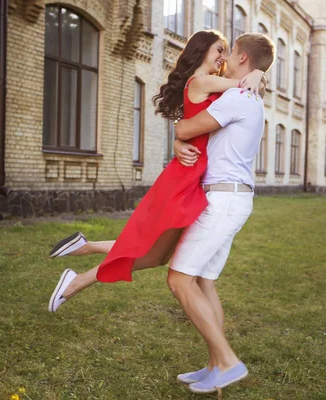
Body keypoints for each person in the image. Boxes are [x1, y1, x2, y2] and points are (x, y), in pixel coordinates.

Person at [48, 30, 266, 313]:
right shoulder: (204, 81)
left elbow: (211, 111)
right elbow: (241, 87)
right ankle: (78, 274)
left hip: (196, 176)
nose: (223, 57)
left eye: (226, 51)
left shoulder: (215, 85)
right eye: (218, 50)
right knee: (149, 245)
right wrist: (258, 74)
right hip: (186, 176)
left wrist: (259, 73)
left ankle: (83, 256)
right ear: (201, 51)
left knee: (157, 254)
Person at [167, 32, 275, 394]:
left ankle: (227, 361)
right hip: (234, 198)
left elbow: (185, 127)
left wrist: (178, 136)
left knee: (180, 280)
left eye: (230, 55)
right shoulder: (249, 95)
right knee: (204, 281)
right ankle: (215, 366)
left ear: (242, 58)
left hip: (224, 200)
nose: (224, 60)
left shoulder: (237, 97)